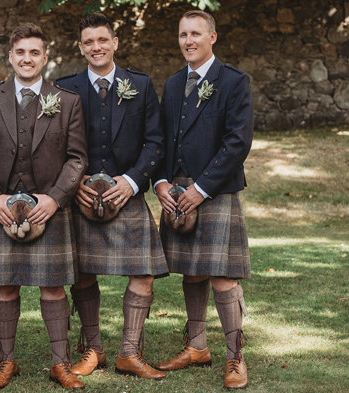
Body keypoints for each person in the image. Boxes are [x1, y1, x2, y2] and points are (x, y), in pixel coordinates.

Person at [0, 23, 88, 390]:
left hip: (48, 208)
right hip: (3, 207)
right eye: (20, 52)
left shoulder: (67, 101)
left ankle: (61, 363)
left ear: (45, 58)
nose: (27, 59)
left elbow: (77, 159)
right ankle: (5, 362)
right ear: (10, 56)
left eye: (34, 52)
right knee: (5, 288)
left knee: (53, 287)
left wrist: (54, 198)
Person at [56, 13, 168, 380]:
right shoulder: (65, 88)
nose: (96, 47)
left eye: (102, 40)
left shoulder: (140, 84)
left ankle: (129, 353)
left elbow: (156, 141)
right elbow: (54, 146)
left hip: (127, 195)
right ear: (81, 46)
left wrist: (132, 181)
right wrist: (76, 184)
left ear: (115, 42)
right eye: (89, 42)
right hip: (82, 195)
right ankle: (93, 349)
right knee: (83, 273)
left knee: (144, 273)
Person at [153, 10, 253, 390]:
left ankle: (235, 357)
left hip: (214, 190)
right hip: (177, 191)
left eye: (196, 33)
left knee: (223, 275)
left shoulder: (234, 81)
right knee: (191, 271)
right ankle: (196, 346)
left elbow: (237, 143)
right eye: (182, 34)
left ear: (213, 37)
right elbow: (162, 140)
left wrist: (201, 189)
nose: (188, 40)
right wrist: (162, 182)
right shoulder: (175, 84)